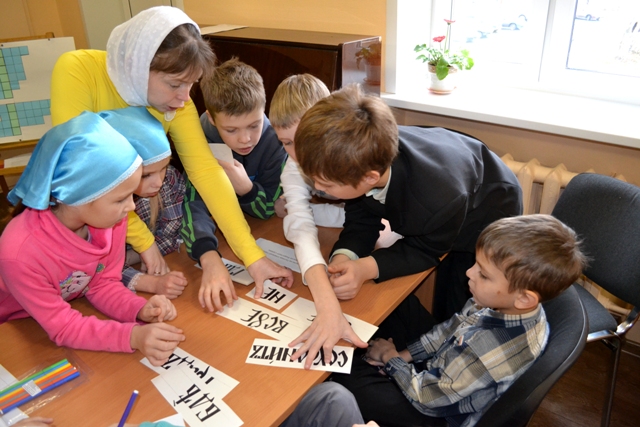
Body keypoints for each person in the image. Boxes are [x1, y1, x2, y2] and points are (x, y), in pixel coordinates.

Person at [50, 5, 292, 299]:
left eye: (191, 84)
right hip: (77, 219)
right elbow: (86, 174)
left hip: (130, 217)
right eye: (175, 84)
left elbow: (206, 172)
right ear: (138, 66)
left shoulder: (178, 101)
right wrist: (144, 242)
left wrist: (253, 257)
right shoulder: (76, 69)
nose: (185, 97)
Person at [286, 214, 587, 427]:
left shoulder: (487, 350)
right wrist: (404, 355)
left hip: (435, 411)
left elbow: (428, 397)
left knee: (344, 373)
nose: (469, 273)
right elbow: (452, 328)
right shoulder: (504, 304)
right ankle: (371, 359)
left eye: (483, 274)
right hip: (446, 369)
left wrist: (392, 360)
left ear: (524, 298)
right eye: (476, 264)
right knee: (399, 306)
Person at [294, 84, 523, 322]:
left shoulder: (436, 200)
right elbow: (362, 217)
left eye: (327, 184)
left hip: (488, 208)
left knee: (460, 299)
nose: (318, 188)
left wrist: (366, 268)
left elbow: (426, 249)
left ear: (370, 178)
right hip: (448, 187)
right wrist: (345, 257)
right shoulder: (363, 155)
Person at [0, 112, 184, 367]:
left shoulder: (110, 220)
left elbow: (102, 284)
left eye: (131, 195)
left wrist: (138, 309)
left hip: (63, 313)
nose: (131, 207)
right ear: (77, 196)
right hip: (14, 331)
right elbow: (63, 327)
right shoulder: (19, 253)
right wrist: (132, 336)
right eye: (121, 199)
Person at [268, 74, 367, 367]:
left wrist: (314, 213)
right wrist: (326, 302)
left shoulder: (355, 150)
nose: (298, 154)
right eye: (286, 143)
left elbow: (372, 219)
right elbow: (300, 226)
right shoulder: (293, 168)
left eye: (304, 139)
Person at [180, 58, 286, 312]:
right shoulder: (198, 135)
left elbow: (268, 209)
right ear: (212, 119)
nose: (245, 138)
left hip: (258, 230)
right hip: (221, 239)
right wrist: (208, 255)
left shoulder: (275, 140)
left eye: (254, 125)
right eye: (231, 130)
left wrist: (246, 189)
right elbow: (192, 203)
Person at [97, 107, 188, 299]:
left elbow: (172, 236)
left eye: (163, 167)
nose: (158, 182)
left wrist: (140, 255)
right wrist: (147, 280)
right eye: (146, 175)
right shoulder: (96, 206)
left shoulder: (169, 179)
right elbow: (95, 269)